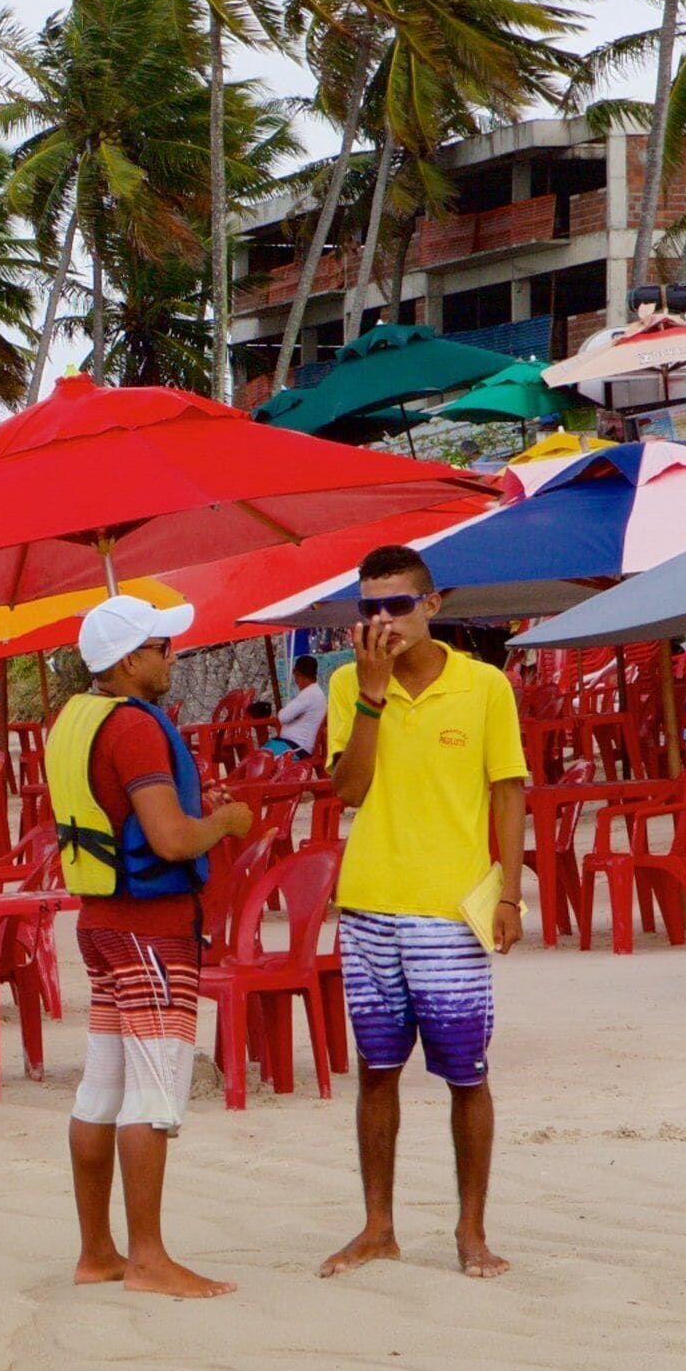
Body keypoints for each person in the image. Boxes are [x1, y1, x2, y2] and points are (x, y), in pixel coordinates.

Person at [318, 543, 527, 1281]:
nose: (383, 619)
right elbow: (348, 789)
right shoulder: (349, 685)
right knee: (376, 1069)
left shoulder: (485, 687)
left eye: (397, 604)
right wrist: (371, 695)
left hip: (450, 908)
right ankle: (379, 1226)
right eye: (369, 606)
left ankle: (471, 1231)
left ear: (432, 605)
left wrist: (508, 893)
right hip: (371, 899)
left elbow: (508, 789)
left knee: (465, 1072)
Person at [47, 592, 257, 1297]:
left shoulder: (77, 720)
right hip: (149, 928)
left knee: (101, 1085)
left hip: (100, 921)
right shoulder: (135, 729)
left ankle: (97, 1251)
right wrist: (225, 821)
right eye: (163, 647)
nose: (172, 656)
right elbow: (168, 839)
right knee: (154, 1090)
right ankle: (148, 1258)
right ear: (131, 660)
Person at [272, 655, 327, 757]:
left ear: (298, 675)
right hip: (292, 744)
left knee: (261, 759)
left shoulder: (309, 694)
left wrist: (289, 713)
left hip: (296, 747)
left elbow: (283, 717)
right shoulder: (315, 692)